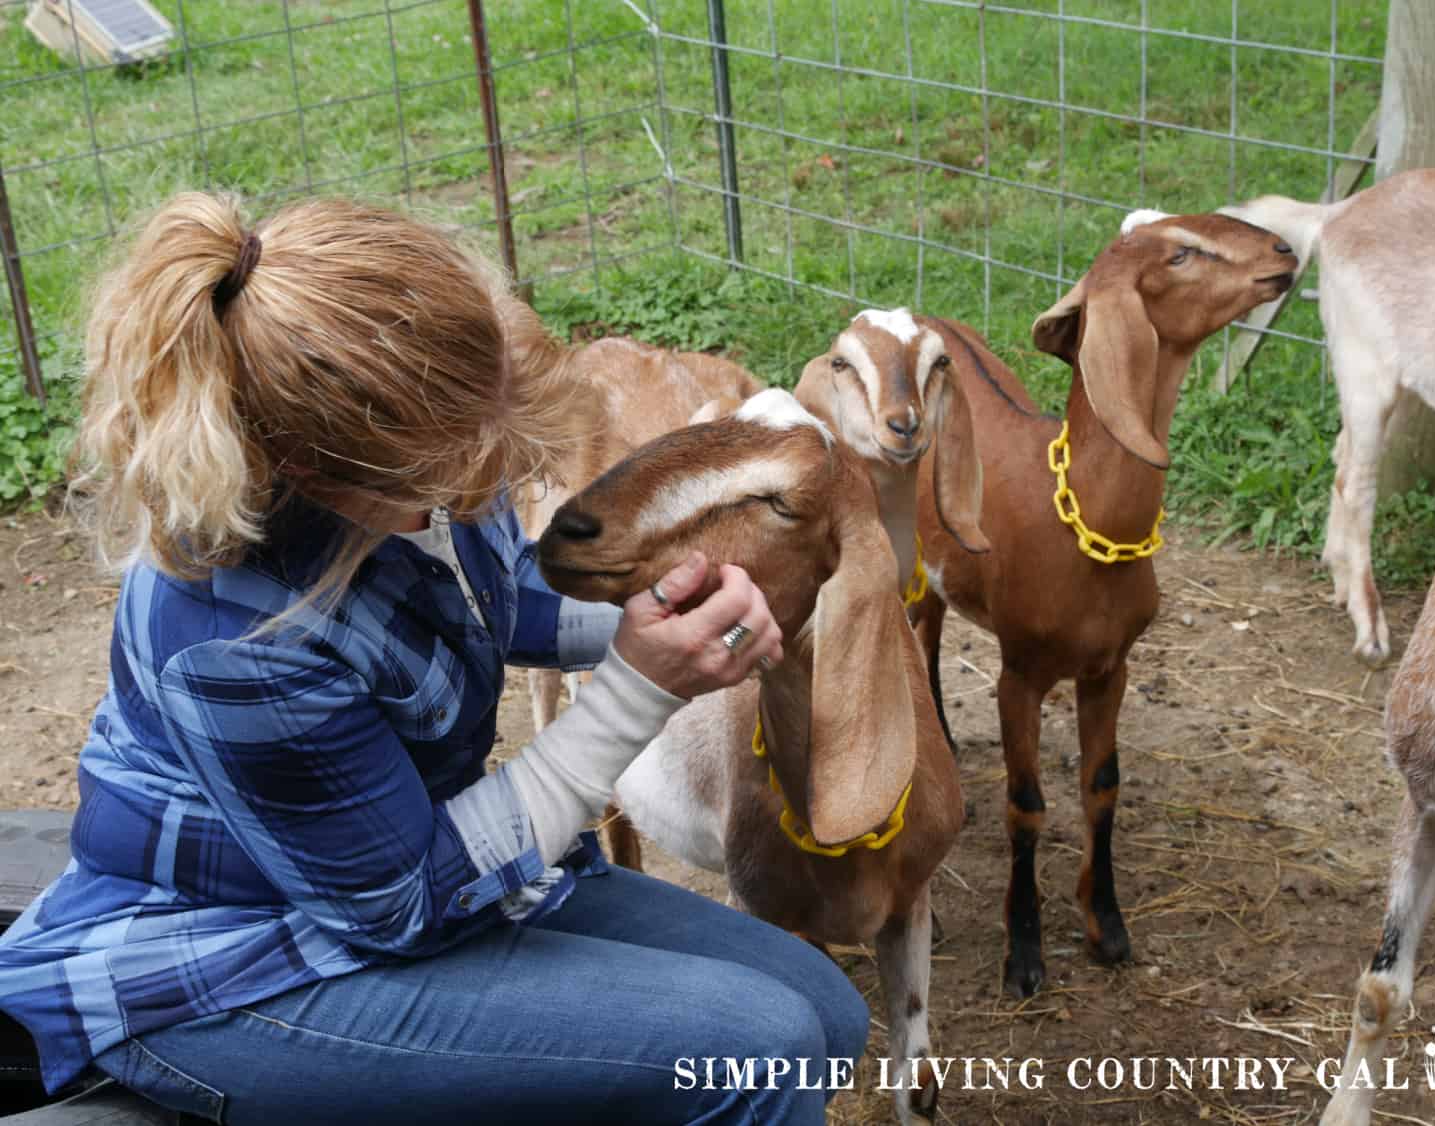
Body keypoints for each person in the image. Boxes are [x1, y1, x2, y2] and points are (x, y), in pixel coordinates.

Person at [0, 193, 868, 1125]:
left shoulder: (432, 454)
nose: (499, 482)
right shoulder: (236, 641)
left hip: (406, 871)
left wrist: (662, 611)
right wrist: (639, 689)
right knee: (759, 1050)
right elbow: (403, 904)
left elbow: (490, 601)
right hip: (235, 962)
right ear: (307, 464)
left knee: (828, 1014)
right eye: (467, 467)